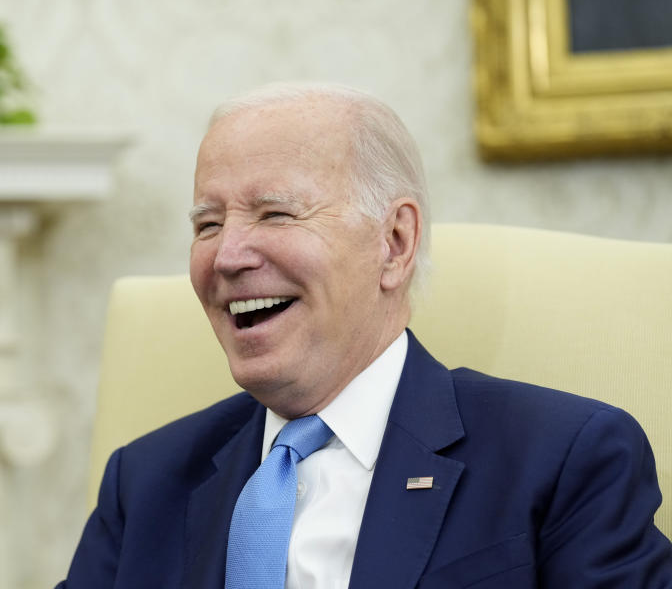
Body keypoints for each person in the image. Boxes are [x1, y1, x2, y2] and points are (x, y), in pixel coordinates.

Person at [57, 83, 672, 588]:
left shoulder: (565, 458)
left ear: (394, 244)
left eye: (275, 213)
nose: (227, 255)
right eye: (207, 223)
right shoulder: (145, 483)